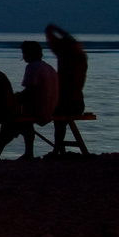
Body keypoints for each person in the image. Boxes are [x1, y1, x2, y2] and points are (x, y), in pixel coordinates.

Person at [0, 40, 59, 161]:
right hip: (51, 107)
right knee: (21, 123)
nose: (23, 56)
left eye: (24, 53)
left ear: (32, 53)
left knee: (10, 120)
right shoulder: (48, 67)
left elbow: (30, 92)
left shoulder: (32, 67)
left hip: (39, 109)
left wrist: (15, 98)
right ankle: (17, 152)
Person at [45, 24, 88, 156]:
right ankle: (58, 148)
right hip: (78, 103)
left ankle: (57, 149)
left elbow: (50, 37)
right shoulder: (80, 56)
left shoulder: (66, 57)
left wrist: (53, 28)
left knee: (53, 116)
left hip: (67, 102)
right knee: (58, 120)